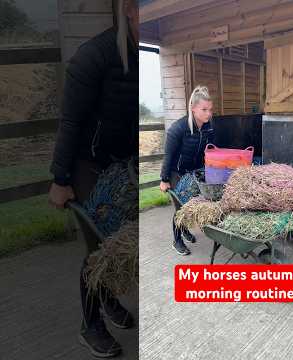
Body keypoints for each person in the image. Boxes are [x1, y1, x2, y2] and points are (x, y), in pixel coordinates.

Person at [48, 0, 138, 357]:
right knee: (98, 246)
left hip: (121, 162)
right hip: (88, 163)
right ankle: (91, 324)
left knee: (123, 240)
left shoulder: (136, 56)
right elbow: (69, 122)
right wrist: (59, 178)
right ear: (129, 9)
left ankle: (108, 296)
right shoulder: (93, 57)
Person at [160, 85, 215, 255]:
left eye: (210, 109)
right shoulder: (177, 129)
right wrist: (164, 179)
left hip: (194, 172)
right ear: (193, 108)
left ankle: (185, 230)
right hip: (177, 172)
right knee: (180, 207)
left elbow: (210, 150)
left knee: (191, 204)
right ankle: (177, 241)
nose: (208, 113)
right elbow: (168, 156)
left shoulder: (208, 127)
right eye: (204, 109)